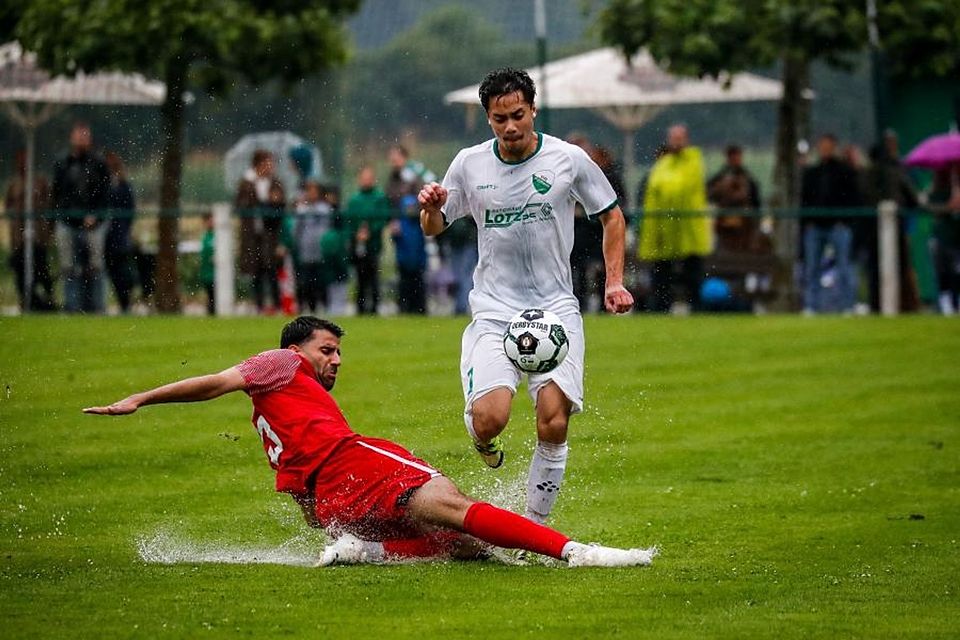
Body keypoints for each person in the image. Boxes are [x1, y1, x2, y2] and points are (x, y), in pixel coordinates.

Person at [83, 316, 656, 568]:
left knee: (465, 548)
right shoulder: (277, 362)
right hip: (355, 463)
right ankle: (579, 552)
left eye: (338, 353)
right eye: (326, 350)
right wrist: (142, 398)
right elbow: (213, 383)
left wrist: (324, 517)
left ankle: (370, 550)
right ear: (296, 348)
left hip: (324, 500)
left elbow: (298, 486)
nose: (334, 361)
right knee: (455, 511)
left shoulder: (281, 395)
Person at [418, 68, 634, 525]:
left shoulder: (568, 159)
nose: (511, 126)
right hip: (495, 311)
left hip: (554, 309)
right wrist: (431, 209)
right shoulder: (468, 164)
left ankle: (533, 528)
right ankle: (481, 435)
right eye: (500, 119)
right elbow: (436, 227)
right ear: (488, 118)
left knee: (554, 421)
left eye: (518, 115)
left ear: (533, 109)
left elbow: (612, 216)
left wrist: (614, 281)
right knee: (490, 419)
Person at [638, 124, 712, 313]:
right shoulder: (663, 164)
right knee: (662, 270)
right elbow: (655, 192)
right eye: (673, 138)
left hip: (687, 227)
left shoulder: (693, 161)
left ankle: (696, 307)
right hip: (664, 228)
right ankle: (661, 307)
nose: (677, 142)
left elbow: (682, 188)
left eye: (680, 138)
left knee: (692, 270)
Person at [52, 122, 111, 313]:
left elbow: (105, 194)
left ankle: (97, 307)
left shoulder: (99, 163)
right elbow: (57, 193)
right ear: (72, 138)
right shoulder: (62, 163)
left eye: (85, 136)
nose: (81, 140)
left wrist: (95, 215)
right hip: (68, 221)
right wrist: (60, 216)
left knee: (95, 266)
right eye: (79, 135)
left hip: (94, 223)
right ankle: (72, 306)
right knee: (69, 266)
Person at [800, 134, 863, 314]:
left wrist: (844, 221)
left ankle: (847, 305)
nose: (824, 149)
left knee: (845, 266)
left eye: (828, 146)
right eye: (822, 146)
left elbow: (853, 197)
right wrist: (808, 222)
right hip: (816, 226)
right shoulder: (813, 172)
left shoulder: (844, 171)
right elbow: (805, 198)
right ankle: (812, 305)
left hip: (838, 225)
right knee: (812, 267)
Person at [5, 149, 56, 311]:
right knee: (21, 272)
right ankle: (26, 301)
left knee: (41, 269)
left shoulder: (40, 182)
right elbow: (9, 207)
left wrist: (48, 231)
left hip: (38, 236)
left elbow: (50, 205)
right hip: (19, 239)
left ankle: (48, 300)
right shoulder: (13, 184)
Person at [236, 150, 286, 313]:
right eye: (267, 163)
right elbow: (241, 206)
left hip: (270, 235)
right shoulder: (246, 183)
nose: (270, 167)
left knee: (271, 270)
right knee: (255, 271)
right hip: (252, 235)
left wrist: (274, 203)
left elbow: (281, 208)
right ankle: (259, 306)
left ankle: (277, 306)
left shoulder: (276, 183)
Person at [344, 166, 389, 315]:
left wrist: (370, 231)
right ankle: (361, 308)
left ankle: (374, 308)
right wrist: (357, 233)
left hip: (373, 245)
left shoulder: (379, 197)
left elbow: (383, 218)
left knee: (374, 278)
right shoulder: (354, 200)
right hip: (358, 245)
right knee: (360, 278)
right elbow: (349, 221)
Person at [707, 144, 762, 253]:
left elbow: (756, 202)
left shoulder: (748, 178)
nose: (735, 160)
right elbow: (708, 194)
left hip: (744, 226)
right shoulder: (720, 177)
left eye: (737, 156)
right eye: (732, 157)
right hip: (724, 225)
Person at [293, 181, 334, 314]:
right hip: (306, 252)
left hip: (321, 251)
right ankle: (309, 307)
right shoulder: (302, 209)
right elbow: (296, 231)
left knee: (321, 282)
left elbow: (328, 227)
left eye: (314, 191)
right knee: (306, 282)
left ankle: (324, 306)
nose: (311, 194)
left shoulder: (324, 208)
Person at [103, 152, 136, 313]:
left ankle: (125, 303)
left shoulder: (122, 186)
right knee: (113, 270)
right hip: (112, 236)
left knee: (120, 271)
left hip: (117, 238)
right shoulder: (104, 185)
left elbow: (129, 211)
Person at [391, 193, 428, 314]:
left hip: (418, 261)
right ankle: (404, 308)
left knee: (418, 287)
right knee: (405, 287)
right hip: (404, 261)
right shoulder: (401, 224)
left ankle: (418, 309)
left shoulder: (419, 223)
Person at [198, 213, 216, 315]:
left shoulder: (218, 236)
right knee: (211, 297)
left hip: (216, 274)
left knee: (216, 297)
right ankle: (211, 315)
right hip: (207, 273)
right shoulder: (205, 237)